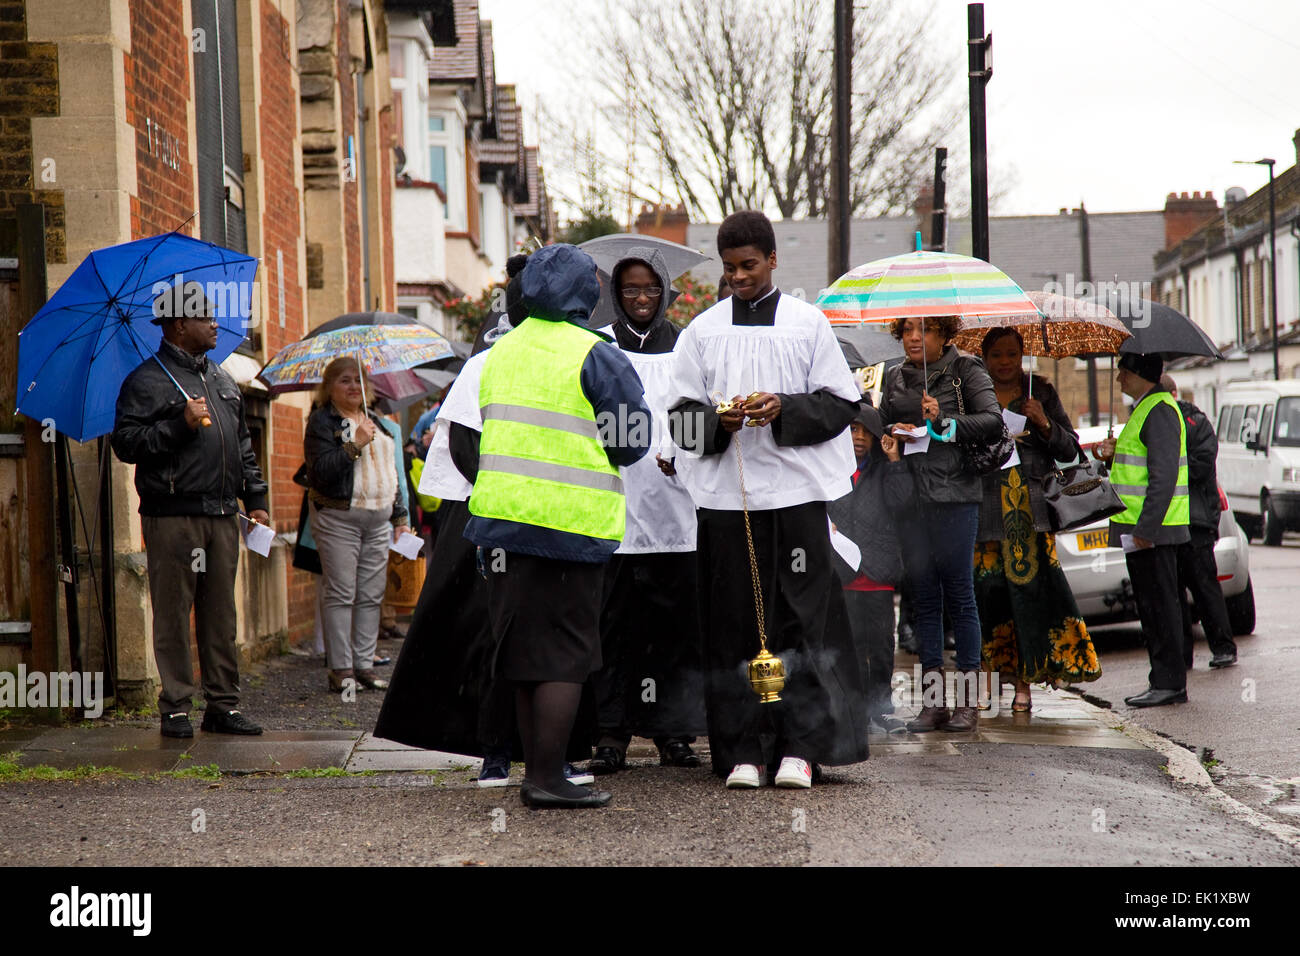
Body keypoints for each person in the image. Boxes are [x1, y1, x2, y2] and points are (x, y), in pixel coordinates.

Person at [667, 210, 868, 790]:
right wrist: (717, 420)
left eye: (749, 266)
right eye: (729, 268)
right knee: (732, 626)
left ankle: (799, 748)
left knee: (799, 623)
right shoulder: (701, 332)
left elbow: (840, 404)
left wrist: (785, 407)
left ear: (773, 260)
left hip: (797, 496)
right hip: (729, 502)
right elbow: (680, 419)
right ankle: (742, 753)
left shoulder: (808, 324)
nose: (738, 278)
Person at [466, 243, 652, 809]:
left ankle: (538, 772)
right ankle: (547, 779)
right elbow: (629, 443)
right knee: (565, 658)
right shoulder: (597, 354)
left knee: (524, 658)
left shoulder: (499, 351)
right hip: (567, 529)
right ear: (585, 294)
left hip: (499, 527)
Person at [111, 281, 266, 738]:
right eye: (206, 317)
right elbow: (127, 444)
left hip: (222, 515)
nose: (216, 323)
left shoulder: (220, 379)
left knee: (221, 615)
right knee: (174, 613)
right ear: (180, 325)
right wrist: (178, 425)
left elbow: (242, 444)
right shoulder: (145, 380)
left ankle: (223, 706)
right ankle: (176, 706)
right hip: (173, 515)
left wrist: (255, 498)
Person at [587, 247, 707, 775]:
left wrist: (683, 454)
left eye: (650, 289)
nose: (641, 298)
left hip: (675, 510)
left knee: (672, 632)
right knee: (611, 631)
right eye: (631, 289)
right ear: (616, 294)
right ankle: (611, 733)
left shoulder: (685, 345)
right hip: (613, 507)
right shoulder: (598, 347)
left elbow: (700, 412)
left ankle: (673, 732)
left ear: (664, 294)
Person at [877, 313, 1002, 732]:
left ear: (944, 333)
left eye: (924, 329)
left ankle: (967, 703)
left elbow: (991, 421)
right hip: (911, 498)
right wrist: (892, 432)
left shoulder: (965, 369)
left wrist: (943, 422)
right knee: (924, 600)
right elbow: (880, 422)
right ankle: (933, 705)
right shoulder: (894, 375)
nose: (914, 337)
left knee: (960, 597)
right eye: (907, 330)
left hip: (954, 495)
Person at [974, 328, 1101, 712]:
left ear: (1022, 354)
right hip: (985, 508)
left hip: (1031, 513)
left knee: (1027, 599)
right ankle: (986, 676)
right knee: (986, 597)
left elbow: (1069, 449)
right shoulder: (972, 392)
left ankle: (1024, 685)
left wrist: (1044, 423)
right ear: (985, 356)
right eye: (996, 355)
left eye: (1012, 354)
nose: (1005, 362)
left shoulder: (1040, 390)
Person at [303, 357, 409, 693]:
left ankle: (364, 665)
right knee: (341, 592)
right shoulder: (322, 423)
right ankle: (341, 670)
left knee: (371, 595)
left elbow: (392, 474)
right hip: (339, 519)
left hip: (378, 520)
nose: (353, 387)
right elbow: (319, 473)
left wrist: (401, 519)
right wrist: (354, 444)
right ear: (330, 388)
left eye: (358, 381)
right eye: (344, 381)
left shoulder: (377, 421)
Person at [1093, 353, 1190, 707]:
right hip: (1143, 529)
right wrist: (1112, 454)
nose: (1118, 379)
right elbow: (1143, 465)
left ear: (1138, 375)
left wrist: (1146, 528)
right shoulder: (1148, 408)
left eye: (1123, 372)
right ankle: (1162, 680)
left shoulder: (1158, 410)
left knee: (1160, 608)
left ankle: (1169, 683)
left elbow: (1163, 477)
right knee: (1151, 607)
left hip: (1153, 530)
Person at [826, 403, 912, 733]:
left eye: (864, 430)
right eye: (851, 429)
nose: (857, 436)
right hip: (843, 574)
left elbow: (903, 503)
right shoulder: (832, 471)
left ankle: (881, 706)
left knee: (879, 646)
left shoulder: (883, 470)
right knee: (849, 645)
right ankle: (854, 707)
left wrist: (894, 461)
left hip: (878, 573)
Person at [1163, 373, 1238, 669]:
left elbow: (1202, 465)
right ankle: (1183, 656)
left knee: (1205, 586)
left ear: (1173, 394)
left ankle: (1223, 647)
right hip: (1170, 519)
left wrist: (1168, 469)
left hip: (1195, 521)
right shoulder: (1157, 425)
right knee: (1175, 592)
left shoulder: (1196, 423)